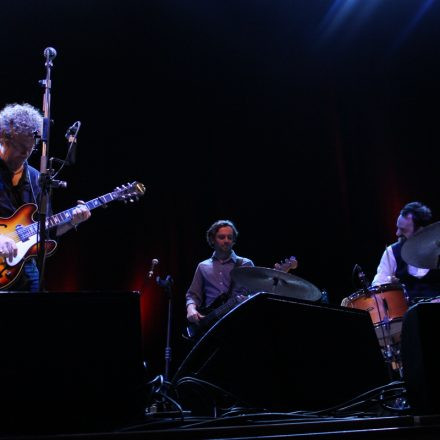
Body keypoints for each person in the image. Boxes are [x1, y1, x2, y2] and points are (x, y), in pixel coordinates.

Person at [0, 102, 91, 291]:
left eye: (30, 148)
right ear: (3, 138)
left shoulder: (36, 178)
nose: (25, 154)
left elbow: (47, 229)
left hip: (26, 268)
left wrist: (72, 221)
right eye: (20, 147)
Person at [186, 219, 254, 326]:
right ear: (212, 240)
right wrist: (191, 309)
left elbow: (255, 290)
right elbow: (193, 295)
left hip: (240, 320)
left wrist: (248, 299)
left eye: (230, 237)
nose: (226, 240)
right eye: (222, 237)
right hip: (211, 322)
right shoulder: (203, 266)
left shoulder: (246, 264)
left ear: (233, 241)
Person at [371, 201, 440, 305]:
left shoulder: (438, 249)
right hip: (407, 316)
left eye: (403, 230)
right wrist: (389, 282)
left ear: (421, 232)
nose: (397, 233)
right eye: (397, 227)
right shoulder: (392, 252)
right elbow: (377, 285)